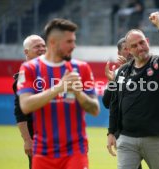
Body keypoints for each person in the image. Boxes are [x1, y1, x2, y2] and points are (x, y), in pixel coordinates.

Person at [17, 18, 100, 169]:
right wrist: (58, 88)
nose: (73, 46)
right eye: (69, 42)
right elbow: (25, 106)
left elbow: (95, 109)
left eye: (74, 41)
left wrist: (78, 93)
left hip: (75, 150)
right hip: (43, 152)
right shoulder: (29, 69)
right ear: (53, 42)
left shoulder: (82, 68)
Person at [108, 11, 159, 169]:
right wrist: (111, 132)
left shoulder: (158, 64)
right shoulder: (122, 71)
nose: (140, 48)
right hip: (126, 139)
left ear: (147, 41)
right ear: (128, 50)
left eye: (142, 43)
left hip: (155, 138)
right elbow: (114, 102)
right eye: (134, 46)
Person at [103, 37, 143, 169]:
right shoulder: (117, 74)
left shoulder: (147, 69)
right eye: (126, 49)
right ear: (119, 53)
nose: (130, 51)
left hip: (148, 131)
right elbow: (107, 102)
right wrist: (113, 81)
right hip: (126, 133)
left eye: (131, 47)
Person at [12, 34, 46, 169]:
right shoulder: (23, 76)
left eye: (44, 46)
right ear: (26, 52)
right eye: (37, 46)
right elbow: (20, 111)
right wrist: (27, 140)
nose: (42, 49)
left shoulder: (52, 73)